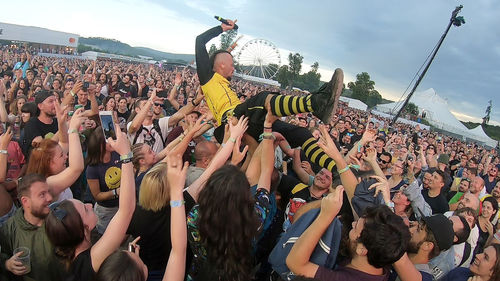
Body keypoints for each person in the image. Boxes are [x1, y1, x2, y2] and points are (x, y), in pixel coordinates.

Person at [195, 20, 343, 173]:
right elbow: (200, 40)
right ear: (222, 64)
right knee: (262, 99)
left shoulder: (226, 85)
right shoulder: (208, 79)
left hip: (245, 121)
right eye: (232, 64)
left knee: (301, 133)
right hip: (230, 121)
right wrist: (222, 28)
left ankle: (337, 170)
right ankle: (315, 103)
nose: (234, 68)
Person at [186, 115, 270, 281]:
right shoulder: (255, 218)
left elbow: (214, 176)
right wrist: (267, 132)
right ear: (245, 196)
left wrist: (233, 159)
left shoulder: (194, 216)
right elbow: (265, 173)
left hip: (198, 275)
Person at [45, 124, 134, 281]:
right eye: (85, 210)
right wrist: (126, 155)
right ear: (83, 230)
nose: (88, 204)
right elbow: (126, 210)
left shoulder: (60, 258)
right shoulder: (89, 261)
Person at [95, 154, 188, 281]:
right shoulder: (180, 209)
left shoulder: (134, 213)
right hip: (167, 268)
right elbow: (178, 251)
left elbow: (119, 239)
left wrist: (131, 261)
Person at [286, 203, 410, 280]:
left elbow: (295, 263)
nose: (352, 223)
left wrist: (325, 215)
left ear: (362, 250)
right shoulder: (382, 255)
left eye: (355, 227)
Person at [0, 174, 66, 281]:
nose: (49, 198)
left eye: (48, 192)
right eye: (42, 194)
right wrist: (7, 264)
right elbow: (3, 255)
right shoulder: (9, 229)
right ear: (26, 201)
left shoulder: (60, 219)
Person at [25, 107, 85, 202]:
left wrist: (62, 123)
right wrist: (73, 130)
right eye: (61, 155)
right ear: (49, 162)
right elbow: (76, 168)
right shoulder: (47, 183)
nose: (66, 156)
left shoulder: (51, 175)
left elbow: (64, 143)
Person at [21, 90, 59, 157]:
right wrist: (64, 126)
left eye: (55, 101)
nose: (55, 104)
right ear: (40, 106)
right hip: (39, 165)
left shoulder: (57, 122)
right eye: (51, 101)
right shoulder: (32, 123)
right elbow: (42, 148)